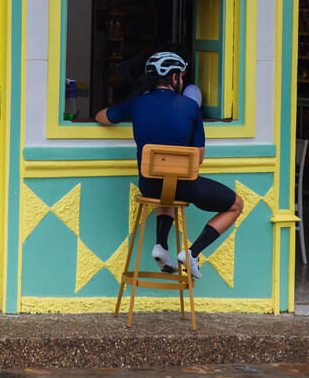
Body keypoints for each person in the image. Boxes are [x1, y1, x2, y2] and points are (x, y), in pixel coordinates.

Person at [96, 51, 243, 278]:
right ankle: (192, 253)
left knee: (167, 188)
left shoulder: (136, 103)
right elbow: (199, 157)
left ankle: (161, 246)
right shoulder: (190, 106)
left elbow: (102, 117)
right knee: (236, 205)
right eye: (180, 76)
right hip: (184, 185)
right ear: (174, 78)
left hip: (149, 186)